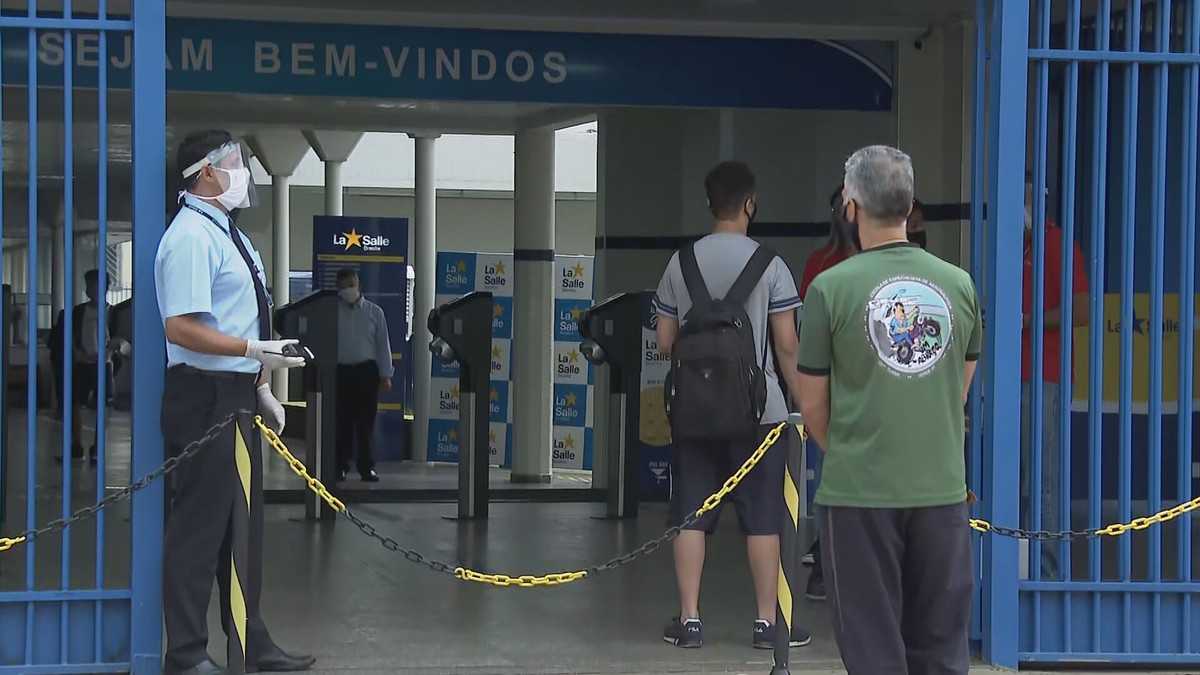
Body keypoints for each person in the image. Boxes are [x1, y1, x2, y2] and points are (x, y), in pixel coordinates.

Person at [796, 145, 981, 675]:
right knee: (942, 648)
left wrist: (858, 447)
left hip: (858, 494)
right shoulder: (958, 284)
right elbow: (958, 386)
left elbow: (812, 406)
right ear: (910, 205)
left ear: (850, 207)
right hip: (942, 492)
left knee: (873, 648)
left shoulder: (828, 288)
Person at [155, 129, 315, 675]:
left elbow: (243, 316)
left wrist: (261, 382)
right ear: (205, 173)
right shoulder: (190, 238)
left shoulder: (228, 234)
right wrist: (252, 350)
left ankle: (251, 640)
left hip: (235, 393)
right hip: (203, 398)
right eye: (236, 163)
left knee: (240, 529)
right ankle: (185, 654)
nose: (244, 171)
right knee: (199, 531)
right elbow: (180, 328)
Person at [652, 160, 811, 651]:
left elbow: (664, 342)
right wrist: (801, 405)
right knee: (764, 518)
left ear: (708, 204)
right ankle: (767, 623)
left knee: (690, 514)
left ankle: (691, 620)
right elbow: (786, 347)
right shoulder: (772, 265)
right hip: (759, 415)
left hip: (694, 414)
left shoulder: (681, 263)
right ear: (750, 204)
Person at [795, 184, 861, 602]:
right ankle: (825, 561)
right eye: (841, 206)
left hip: (876, 392)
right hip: (832, 388)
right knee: (827, 482)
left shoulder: (885, 263)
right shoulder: (819, 263)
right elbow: (808, 335)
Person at [1020, 176, 1087, 579]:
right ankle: (1023, 569)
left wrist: (1029, 321)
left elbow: (1080, 311)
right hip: (1014, 378)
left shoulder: (1060, 244)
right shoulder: (1016, 246)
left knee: (1044, 478)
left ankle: (1047, 572)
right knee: (1022, 476)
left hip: (1046, 376)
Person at [334, 267, 394, 482]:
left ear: (359, 286)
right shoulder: (333, 311)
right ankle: (340, 466)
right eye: (342, 286)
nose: (347, 290)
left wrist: (386, 374)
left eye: (350, 285)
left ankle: (366, 467)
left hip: (366, 373)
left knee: (365, 423)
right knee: (342, 423)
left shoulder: (374, 312)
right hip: (341, 372)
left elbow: (382, 345)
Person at [49, 268, 112, 463]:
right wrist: (75, 353)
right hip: (82, 364)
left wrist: (111, 353)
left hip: (104, 364)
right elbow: (66, 337)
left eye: (94, 285)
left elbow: (122, 339)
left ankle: (96, 449)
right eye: (88, 285)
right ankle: (76, 447)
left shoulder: (113, 312)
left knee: (103, 406)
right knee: (76, 404)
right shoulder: (77, 312)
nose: (90, 289)